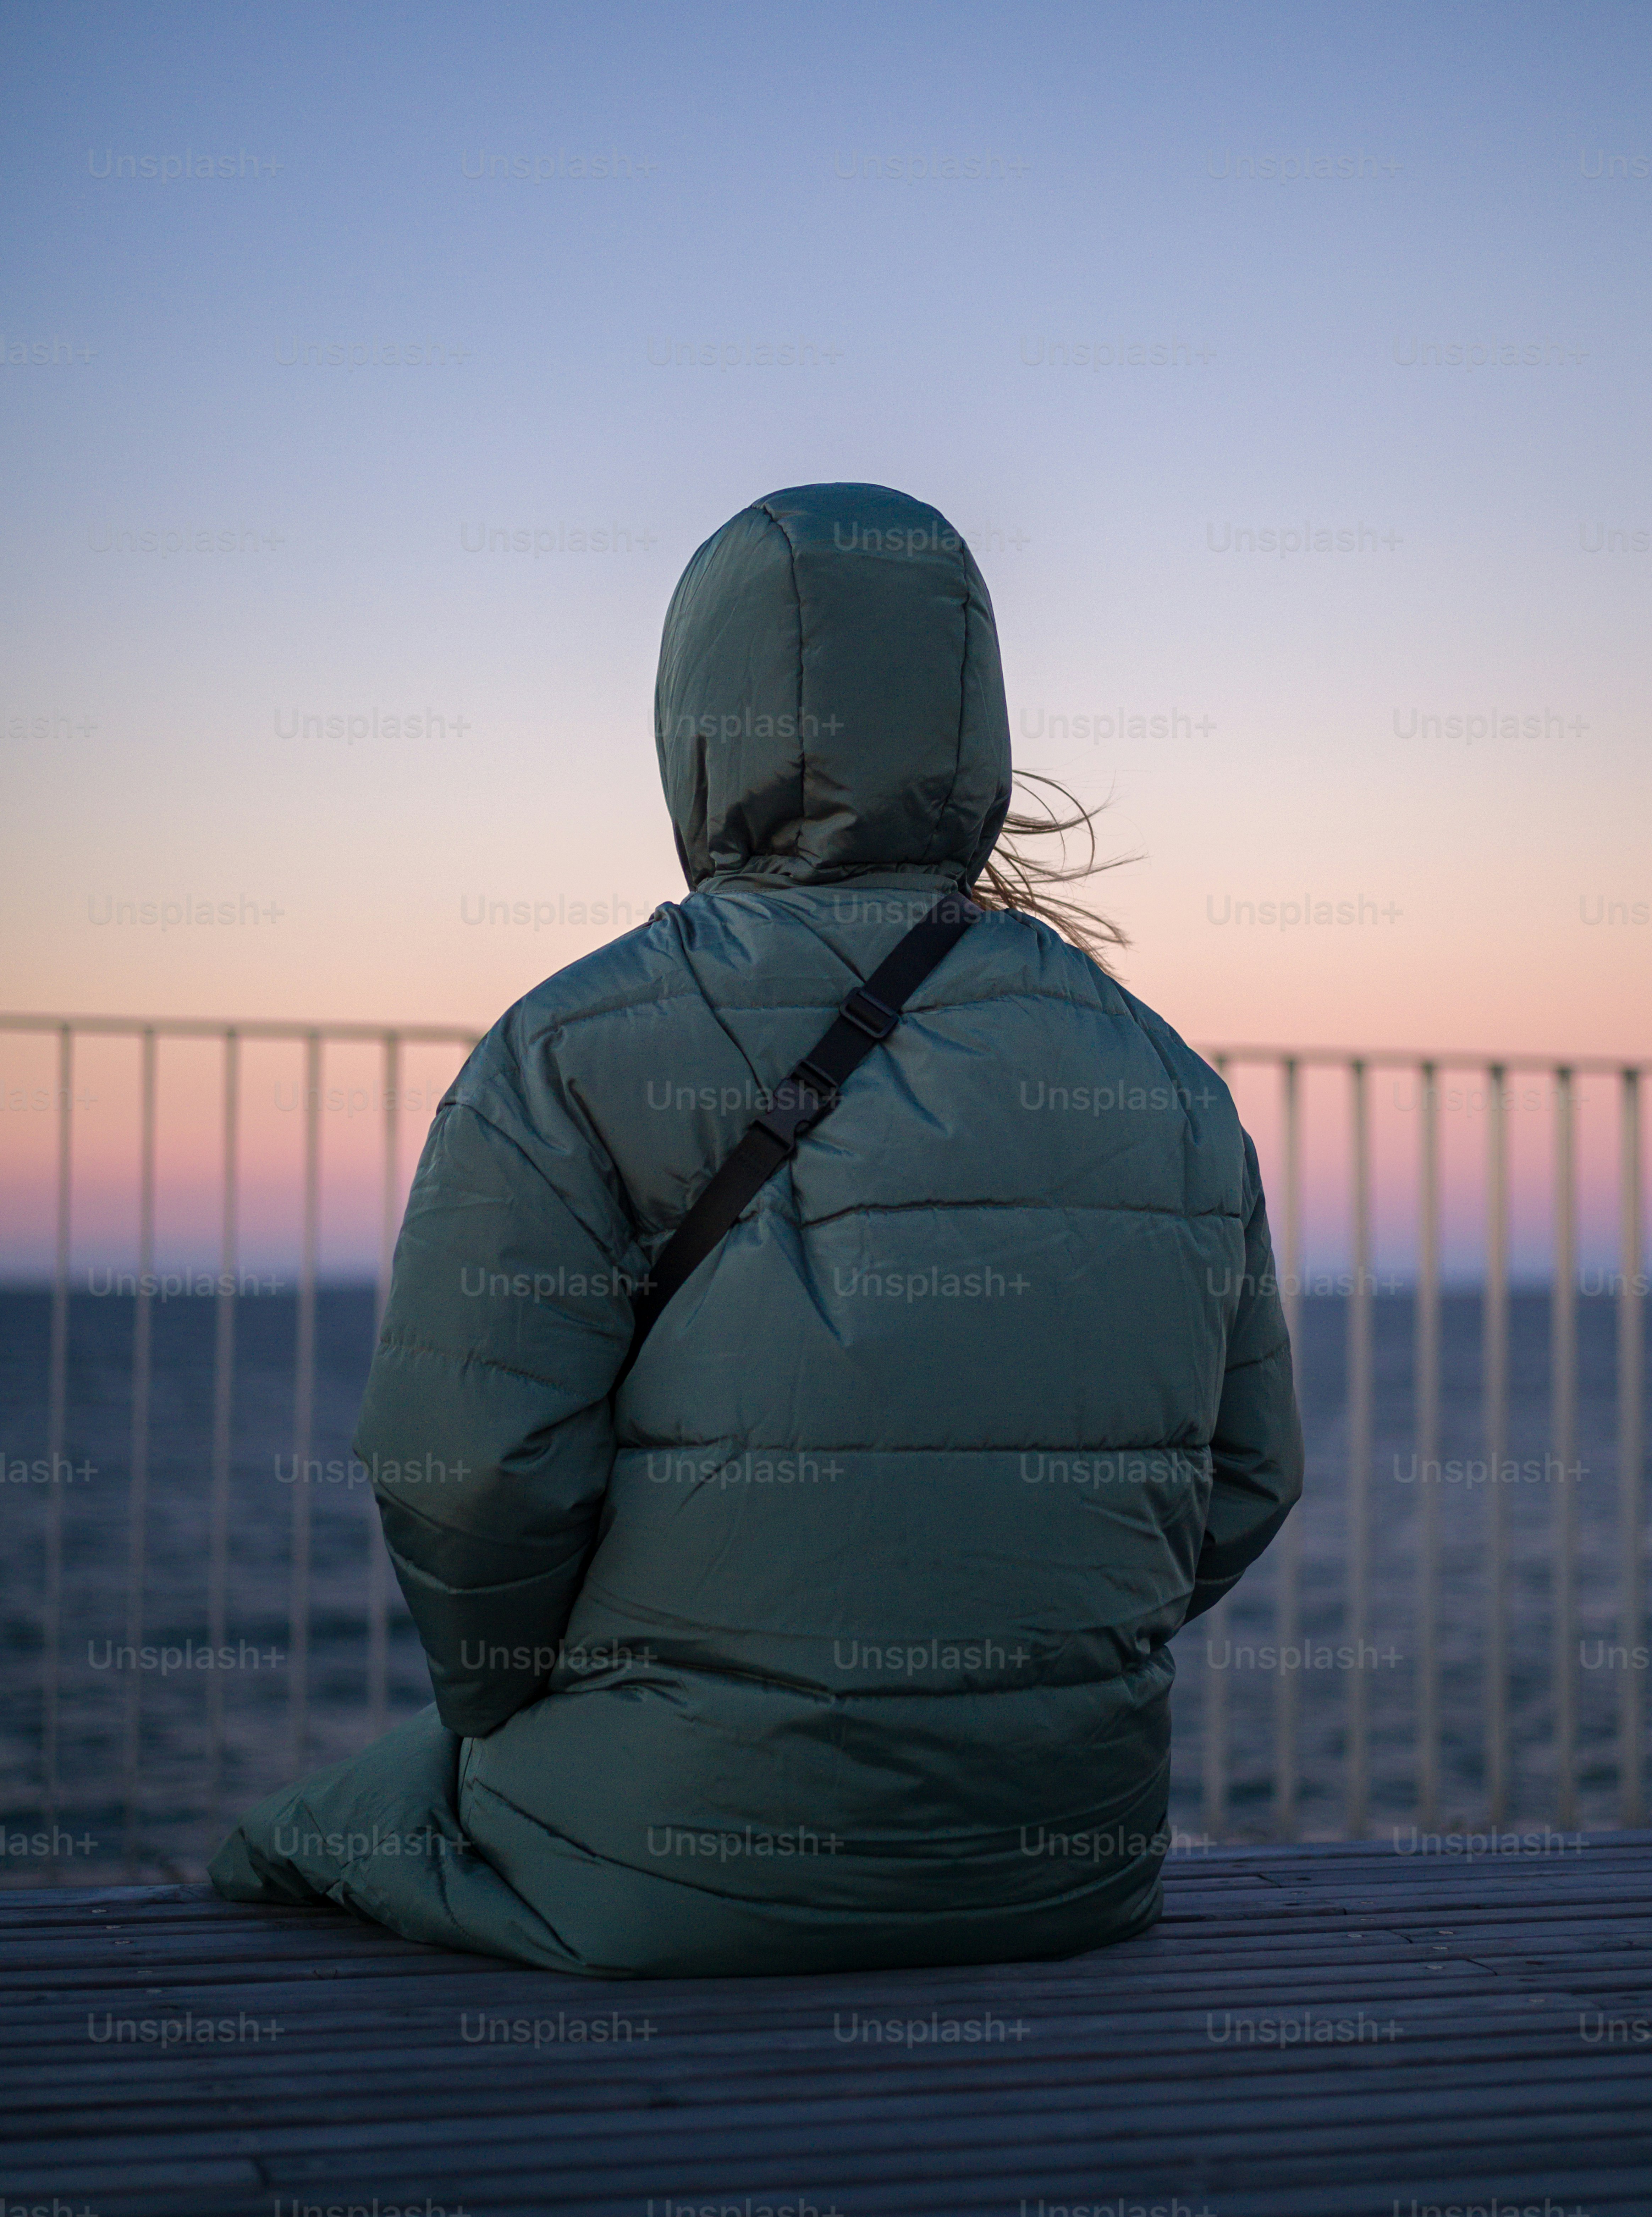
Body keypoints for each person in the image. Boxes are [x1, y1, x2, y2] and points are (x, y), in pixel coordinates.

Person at [211, 481, 1302, 1975]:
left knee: (275, 1849)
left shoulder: (571, 1049)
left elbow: (468, 1472)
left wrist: (506, 1705)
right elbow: (1247, 1477)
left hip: (659, 1870)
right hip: (1070, 1872)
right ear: (971, 716)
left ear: (698, 726)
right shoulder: (1167, 1078)